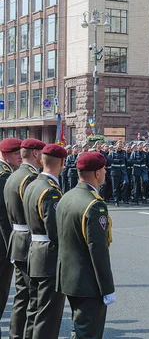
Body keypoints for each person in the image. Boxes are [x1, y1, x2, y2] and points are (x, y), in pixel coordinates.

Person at [56, 152, 115, 339]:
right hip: (88, 283)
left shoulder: (67, 196)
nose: (105, 172)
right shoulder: (94, 205)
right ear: (97, 173)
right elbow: (97, 250)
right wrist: (107, 288)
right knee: (89, 333)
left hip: (68, 277)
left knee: (80, 330)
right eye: (103, 169)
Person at [22, 144, 68, 339]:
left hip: (34, 251)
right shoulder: (51, 191)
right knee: (47, 315)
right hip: (49, 256)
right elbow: (55, 231)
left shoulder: (32, 183)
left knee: (33, 310)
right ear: (63, 163)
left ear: (41, 160)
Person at [4, 138, 45, 339]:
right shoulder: (29, 178)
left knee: (22, 296)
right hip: (29, 240)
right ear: (36, 154)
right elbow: (33, 213)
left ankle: (15, 335)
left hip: (17, 238)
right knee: (32, 297)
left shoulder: (14, 175)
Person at [0, 138, 22, 336]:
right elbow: (4, 218)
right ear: (5, 155)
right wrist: (11, 248)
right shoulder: (4, 176)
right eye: (16, 153)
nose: (20, 157)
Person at [108, 141, 128, 207]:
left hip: (123, 171)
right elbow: (108, 160)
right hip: (115, 171)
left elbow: (126, 160)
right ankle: (116, 201)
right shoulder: (112, 152)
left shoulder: (124, 152)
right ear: (116, 145)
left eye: (121, 144)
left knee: (126, 183)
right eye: (119, 144)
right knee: (115, 187)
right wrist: (116, 161)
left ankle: (122, 196)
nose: (120, 145)